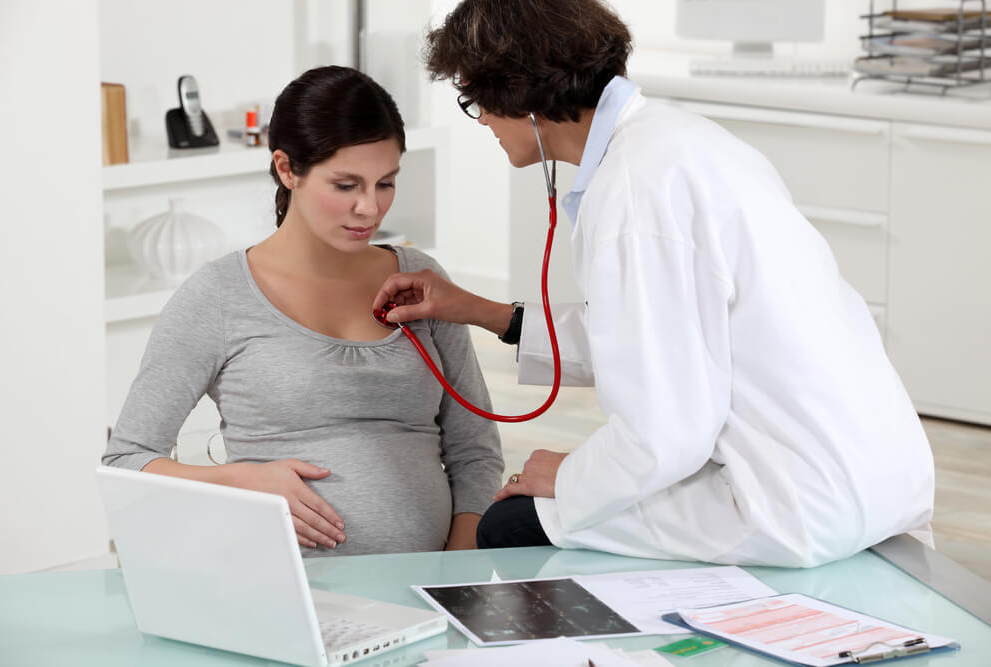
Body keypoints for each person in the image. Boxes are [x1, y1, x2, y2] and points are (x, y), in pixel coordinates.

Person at [371, 0, 935, 567]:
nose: (483, 122)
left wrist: (567, 473)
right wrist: (477, 309)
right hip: (882, 472)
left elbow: (665, 435)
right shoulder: (677, 142)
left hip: (796, 500)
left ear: (520, 93)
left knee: (510, 525)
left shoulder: (635, 194)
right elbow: (653, 334)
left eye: (475, 101)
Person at [103, 66, 504, 556]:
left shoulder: (419, 280)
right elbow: (126, 460)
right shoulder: (219, 295)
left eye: (385, 183)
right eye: (345, 185)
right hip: (287, 596)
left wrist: (458, 572)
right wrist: (239, 482)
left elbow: (475, 451)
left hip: (431, 592)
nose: (370, 209)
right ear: (287, 169)